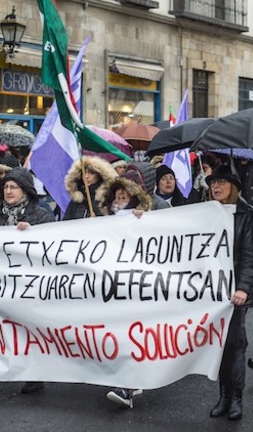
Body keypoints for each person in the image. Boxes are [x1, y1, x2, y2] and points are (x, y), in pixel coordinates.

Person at [0, 168, 54, 397]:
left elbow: (52, 245)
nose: (8, 191)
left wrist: (32, 233)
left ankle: (34, 375)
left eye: (13, 187)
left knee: (26, 330)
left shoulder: (40, 215)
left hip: (29, 284)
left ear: (25, 190)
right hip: (0, 283)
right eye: (5, 187)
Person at [206, 166, 253, 421]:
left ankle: (236, 397)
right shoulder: (204, 212)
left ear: (233, 186)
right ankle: (224, 396)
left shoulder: (245, 215)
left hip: (235, 290)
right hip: (211, 290)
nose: (216, 187)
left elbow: (250, 256)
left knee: (235, 343)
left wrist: (243, 288)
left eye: (222, 182)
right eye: (213, 182)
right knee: (219, 345)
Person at [98, 173, 152, 408]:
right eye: (118, 190)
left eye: (126, 190)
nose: (121, 194)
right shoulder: (104, 217)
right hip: (110, 284)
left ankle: (126, 387)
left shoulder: (146, 215)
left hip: (136, 284)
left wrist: (146, 221)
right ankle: (129, 381)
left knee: (130, 333)